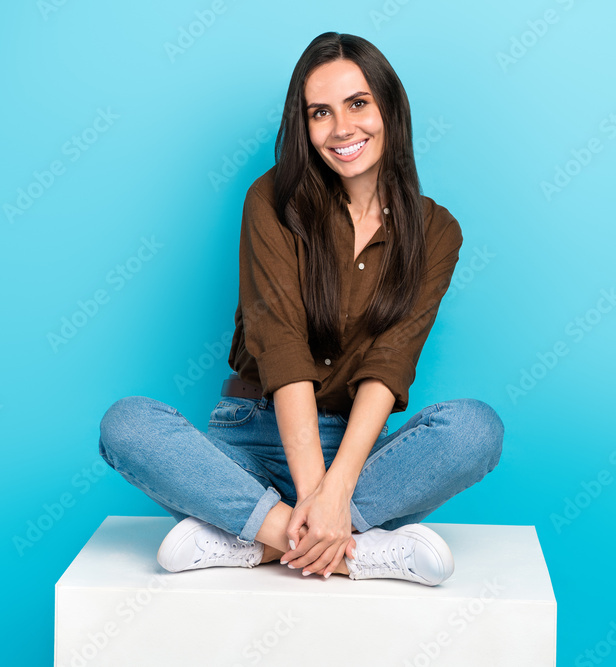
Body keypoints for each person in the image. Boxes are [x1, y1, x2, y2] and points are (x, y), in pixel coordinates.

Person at [98, 32, 503, 587]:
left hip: (357, 463)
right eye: (320, 112)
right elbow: (282, 346)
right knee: (125, 425)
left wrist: (336, 493)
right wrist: (316, 502)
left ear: (390, 106)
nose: (342, 129)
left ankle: (256, 539)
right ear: (304, 125)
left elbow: (390, 363)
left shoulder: (437, 231)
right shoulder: (272, 200)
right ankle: (350, 550)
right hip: (249, 443)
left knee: (476, 430)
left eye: (358, 103)